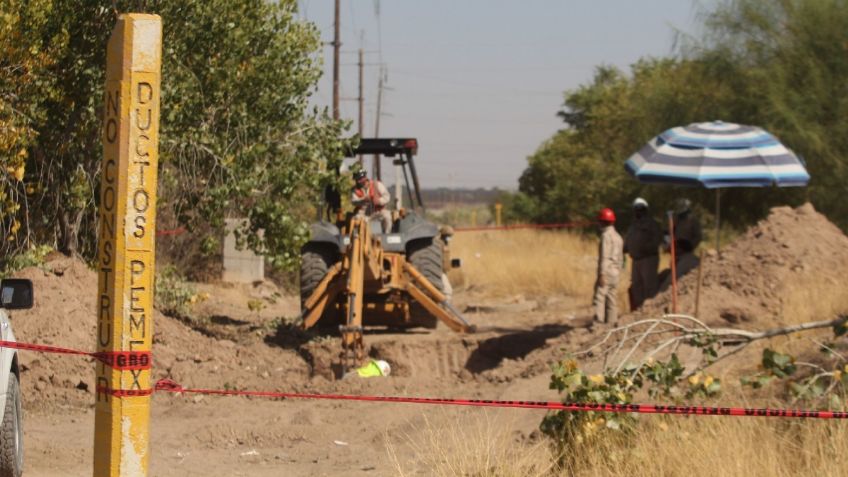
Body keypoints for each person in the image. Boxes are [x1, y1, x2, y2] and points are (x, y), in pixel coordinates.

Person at [624, 197, 662, 310]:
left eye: (641, 209)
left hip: (648, 259)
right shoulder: (633, 225)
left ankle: (651, 311)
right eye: (636, 209)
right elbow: (628, 240)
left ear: (645, 209)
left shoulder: (652, 224)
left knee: (649, 286)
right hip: (635, 260)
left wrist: (645, 248)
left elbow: (657, 240)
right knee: (637, 286)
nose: (638, 211)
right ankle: (639, 311)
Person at [594, 207, 623, 325]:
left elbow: (604, 257)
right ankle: (612, 322)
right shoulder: (618, 236)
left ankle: (598, 323)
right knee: (612, 298)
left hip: (607, 271)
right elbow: (621, 258)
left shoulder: (606, 236)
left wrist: (602, 274)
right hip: (616, 271)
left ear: (602, 221)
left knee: (600, 297)